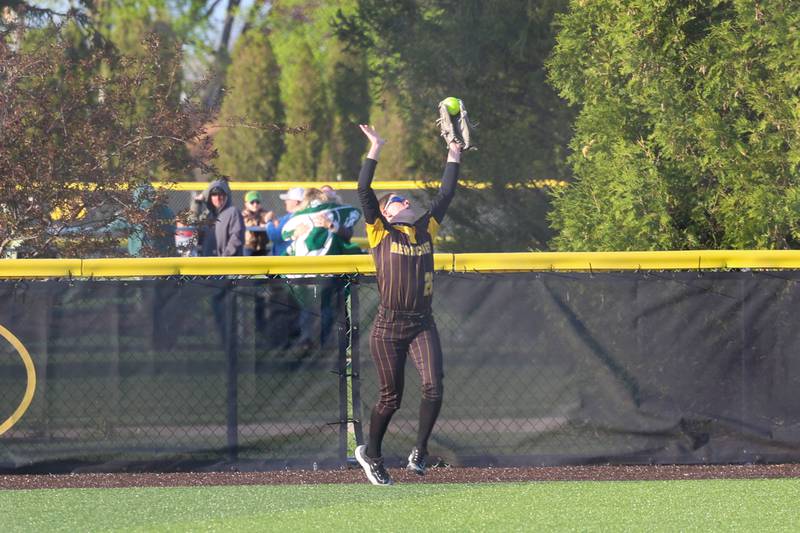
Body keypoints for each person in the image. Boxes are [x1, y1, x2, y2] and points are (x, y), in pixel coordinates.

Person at [353, 124, 462, 486]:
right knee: (391, 399)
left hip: (421, 323)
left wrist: (454, 151)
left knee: (435, 386)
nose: (406, 201)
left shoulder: (426, 229)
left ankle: (419, 452)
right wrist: (376, 147)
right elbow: (363, 190)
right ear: (387, 211)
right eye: (398, 199)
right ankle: (372, 454)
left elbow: (446, 192)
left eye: (407, 199)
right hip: (388, 328)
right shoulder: (380, 230)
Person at [201, 179, 245, 257]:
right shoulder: (207, 215)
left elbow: (236, 238)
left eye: (220, 194)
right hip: (208, 263)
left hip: (227, 264)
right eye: (214, 194)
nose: (217, 198)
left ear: (226, 195)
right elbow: (196, 235)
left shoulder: (233, 212)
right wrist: (196, 203)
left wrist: (224, 257)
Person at [267, 187, 304, 256]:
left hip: (286, 257)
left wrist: (268, 222)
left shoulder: (291, 217)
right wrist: (275, 222)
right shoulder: (305, 214)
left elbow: (275, 236)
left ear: (296, 202)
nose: (285, 202)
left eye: (288, 199)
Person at [242, 191, 274, 256]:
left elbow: (270, 218)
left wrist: (270, 217)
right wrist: (260, 223)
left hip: (262, 247)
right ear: (246, 204)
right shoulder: (243, 214)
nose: (255, 204)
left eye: (257, 202)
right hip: (248, 248)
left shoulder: (264, 213)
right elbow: (248, 223)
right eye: (252, 202)